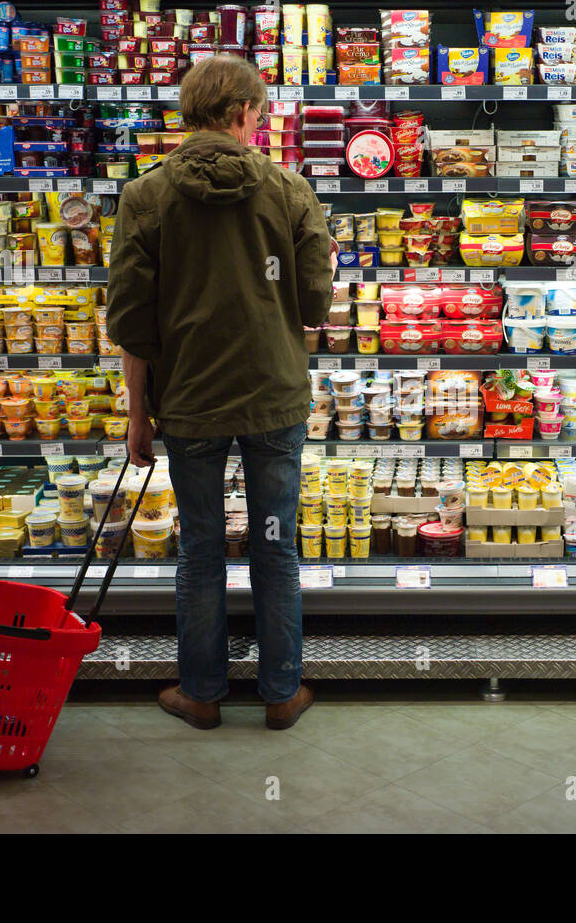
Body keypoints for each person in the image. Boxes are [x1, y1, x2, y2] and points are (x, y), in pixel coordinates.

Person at [106, 55, 333, 731]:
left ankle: (201, 694)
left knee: (200, 549)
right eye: (258, 116)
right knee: (273, 543)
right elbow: (317, 304)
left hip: (192, 407)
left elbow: (131, 325)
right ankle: (281, 694)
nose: (258, 126)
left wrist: (138, 417)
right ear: (241, 116)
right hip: (273, 401)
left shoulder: (144, 197)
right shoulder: (291, 190)